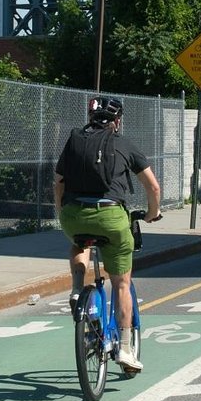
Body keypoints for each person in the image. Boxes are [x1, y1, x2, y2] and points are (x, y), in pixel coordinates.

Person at [53, 95, 162, 373]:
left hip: (73, 215)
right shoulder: (123, 143)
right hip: (111, 216)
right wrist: (152, 213)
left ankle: (78, 289)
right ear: (117, 120)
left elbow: (58, 183)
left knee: (79, 243)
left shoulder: (74, 141)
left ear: (91, 119)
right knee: (122, 284)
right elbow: (153, 188)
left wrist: (62, 212)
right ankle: (125, 348)